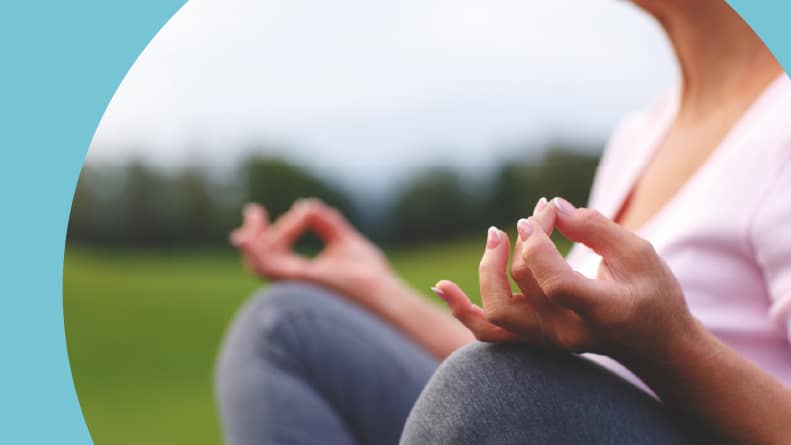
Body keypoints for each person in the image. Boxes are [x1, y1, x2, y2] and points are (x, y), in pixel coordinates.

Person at [214, 0, 791, 443]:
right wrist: (378, 291)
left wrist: (670, 346)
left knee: (489, 393)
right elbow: (562, 387)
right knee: (285, 330)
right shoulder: (643, 134)